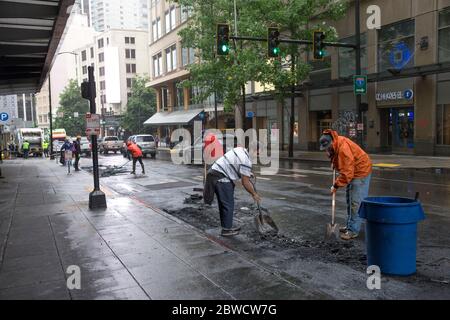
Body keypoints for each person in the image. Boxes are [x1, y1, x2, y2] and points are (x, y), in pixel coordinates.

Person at [319, 129, 372, 240]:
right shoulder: (337, 143)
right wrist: (333, 162)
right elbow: (336, 156)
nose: (326, 150)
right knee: (349, 199)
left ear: (331, 142)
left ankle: (353, 230)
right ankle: (349, 226)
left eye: (327, 148)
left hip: (361, 171)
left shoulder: (343, 149)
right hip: (354, 170)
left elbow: (347, 173)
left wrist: (336, 185)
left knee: (355, 202)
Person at [204, 146, 261, 237]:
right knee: (228, 204)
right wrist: (254, 194)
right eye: (257, 153)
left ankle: (226, 227)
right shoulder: (246, 161)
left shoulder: (240, 150)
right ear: (253, 150)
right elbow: (245, 182)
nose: (257, 156)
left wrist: (247, 173)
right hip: (221, 176)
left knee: (224, 204)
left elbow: (235, 164)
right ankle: (226, 230)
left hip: (215, 172)